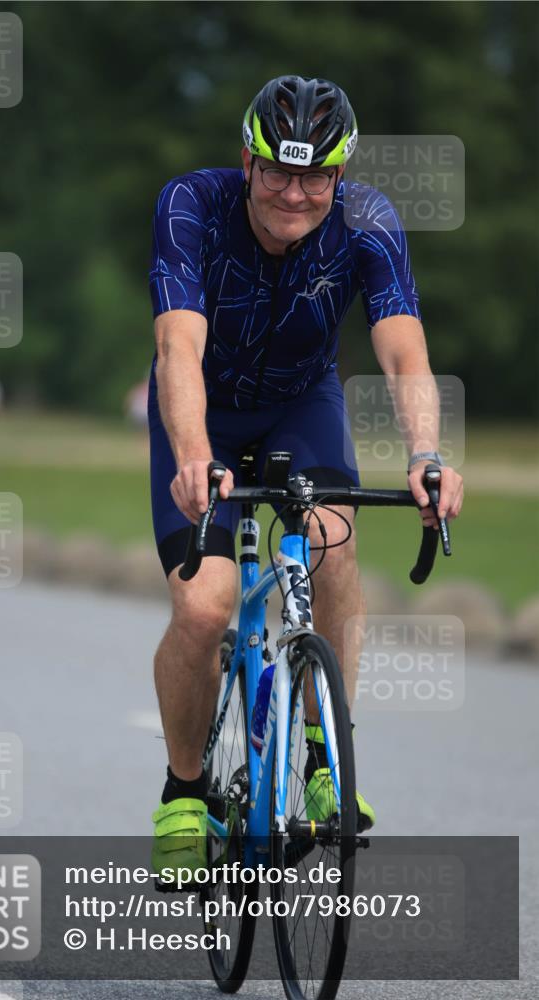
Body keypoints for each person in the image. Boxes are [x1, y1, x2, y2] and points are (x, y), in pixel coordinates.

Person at [147, 75, 463, 879]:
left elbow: (403, 349)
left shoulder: (369, 224)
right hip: (203, 412)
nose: (295, 193)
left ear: (339, 175)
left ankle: (323, 756)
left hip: (300, 404)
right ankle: (185, 790)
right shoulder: (191, 206)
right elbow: (178, 346)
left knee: (333, 542)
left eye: (315, 176)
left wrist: (425, 455)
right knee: (204, 604)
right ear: (247, 164)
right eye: (278, 173)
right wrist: (192, 453)